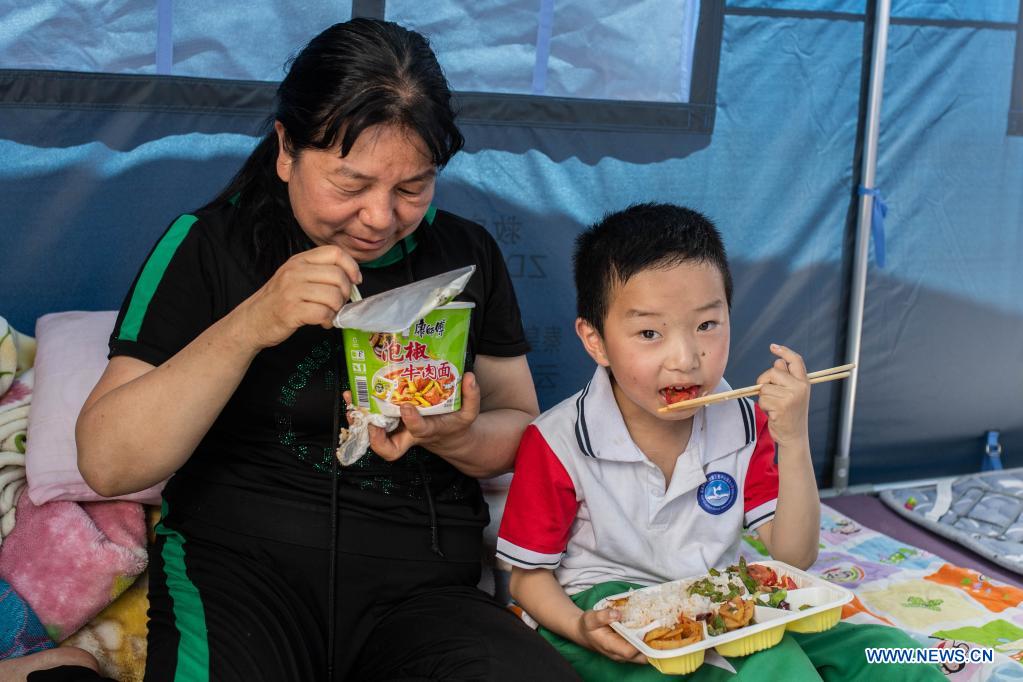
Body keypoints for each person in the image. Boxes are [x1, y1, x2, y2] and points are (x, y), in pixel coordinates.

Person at [13, 18, 579, 682]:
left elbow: (518, 426)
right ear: (286, 149)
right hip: (240, 572)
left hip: (420, 590)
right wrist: (251, 322)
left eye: (411, 188)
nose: (379, 217)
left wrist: (453, 436)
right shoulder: (209, 245)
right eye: (350, 184)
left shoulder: (466, 253)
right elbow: (109, 465)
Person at [495, 203, 944, 680]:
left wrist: (793, 437)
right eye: (649, 332)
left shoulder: (746, 423)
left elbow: (795, 556)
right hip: (608, 617)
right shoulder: (558, 441)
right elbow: (527, 577)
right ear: (595, 340)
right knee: (774, 666)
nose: (686, 358)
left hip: (721, 602)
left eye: (707, 325)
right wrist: (580, 627)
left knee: (886, 652)